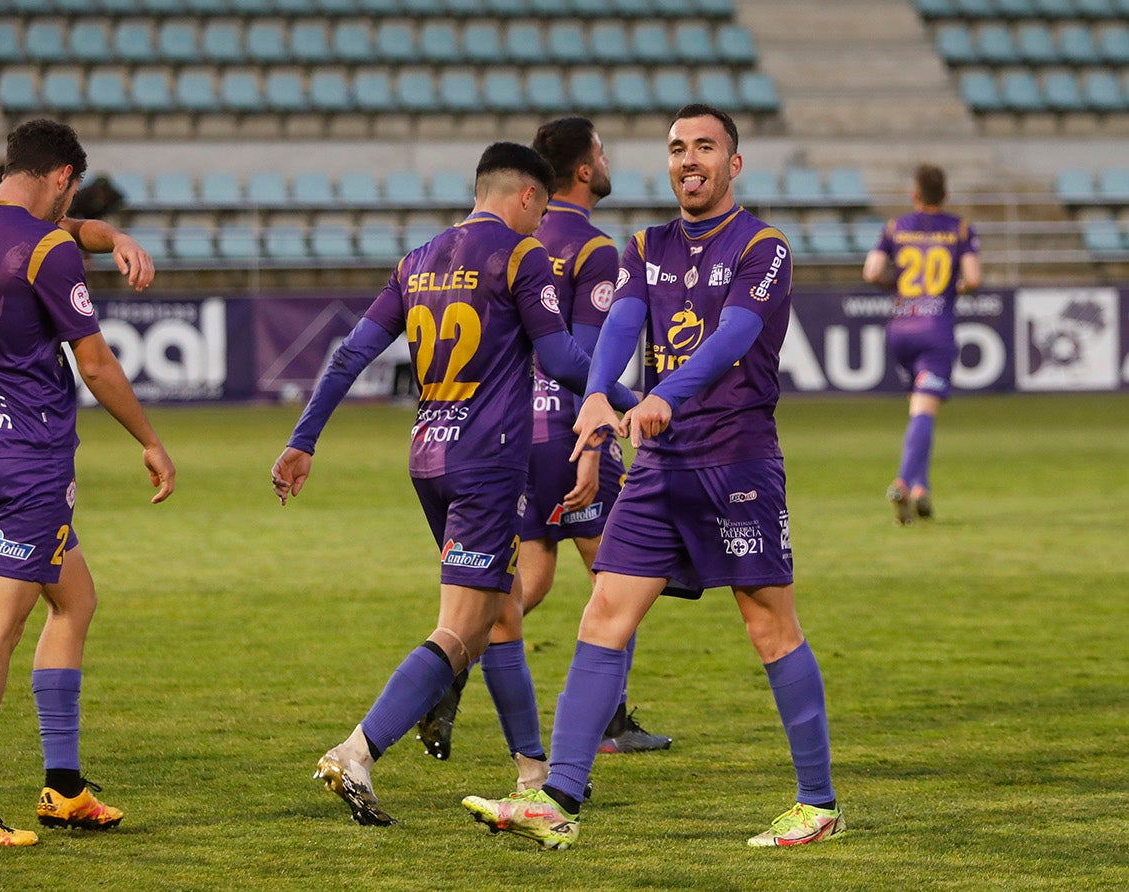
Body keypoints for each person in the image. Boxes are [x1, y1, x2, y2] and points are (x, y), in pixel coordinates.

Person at [463, 104, 844, 850]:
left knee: (768, 625)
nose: (689, 158)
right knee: (604, 611)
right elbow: (620, 325)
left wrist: (664, 396)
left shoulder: (763, 247)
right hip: (660, 465)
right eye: (677, 148)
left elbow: (734, 337)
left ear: (734, 165)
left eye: (705, 146)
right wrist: (600, 393)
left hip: (735, 459)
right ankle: (560, 797)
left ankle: (818, 803)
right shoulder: (645, 245)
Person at [272, 142, 636, 826]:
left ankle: (532, 770)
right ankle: (358, 750)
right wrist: (630, 395)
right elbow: (559, 356)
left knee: (504, 609)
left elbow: (353, 352)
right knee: (462, 629)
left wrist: (303, 438)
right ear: (526, 196)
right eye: (540, 207)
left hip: (428, 458)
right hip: (488, 462)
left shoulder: (417, 260)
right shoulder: (520, 255)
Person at [0, 118, 175, 848]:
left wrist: (113, 236)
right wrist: (152, 443)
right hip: (27, 464)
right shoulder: (45, 253)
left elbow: (59, 230)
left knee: (76, 599)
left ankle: (63, 788)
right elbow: (96, 366)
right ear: (63, 176)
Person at [415, 118, 670, 763]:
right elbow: (586, 361)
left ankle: (449, 667)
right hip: (564, 429)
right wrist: (608, 424)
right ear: (583, 170)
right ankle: (609, 721)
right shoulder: (594, 249)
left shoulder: (508, 236)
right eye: (602, 153)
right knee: (619, 573)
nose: (607, 160)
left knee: (524, 577)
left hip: (502, 433)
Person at [862, 164, 981, 525]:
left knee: (918, 410)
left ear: (914, 195)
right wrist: (951, 289)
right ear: (944, 196)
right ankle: (902, 481)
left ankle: (920, 490)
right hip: (935, 331)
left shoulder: (895, 228)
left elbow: (871, 272)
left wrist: (897, 288)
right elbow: (973, 278)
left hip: (900, 330)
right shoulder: (960, 229)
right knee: (923, 412)